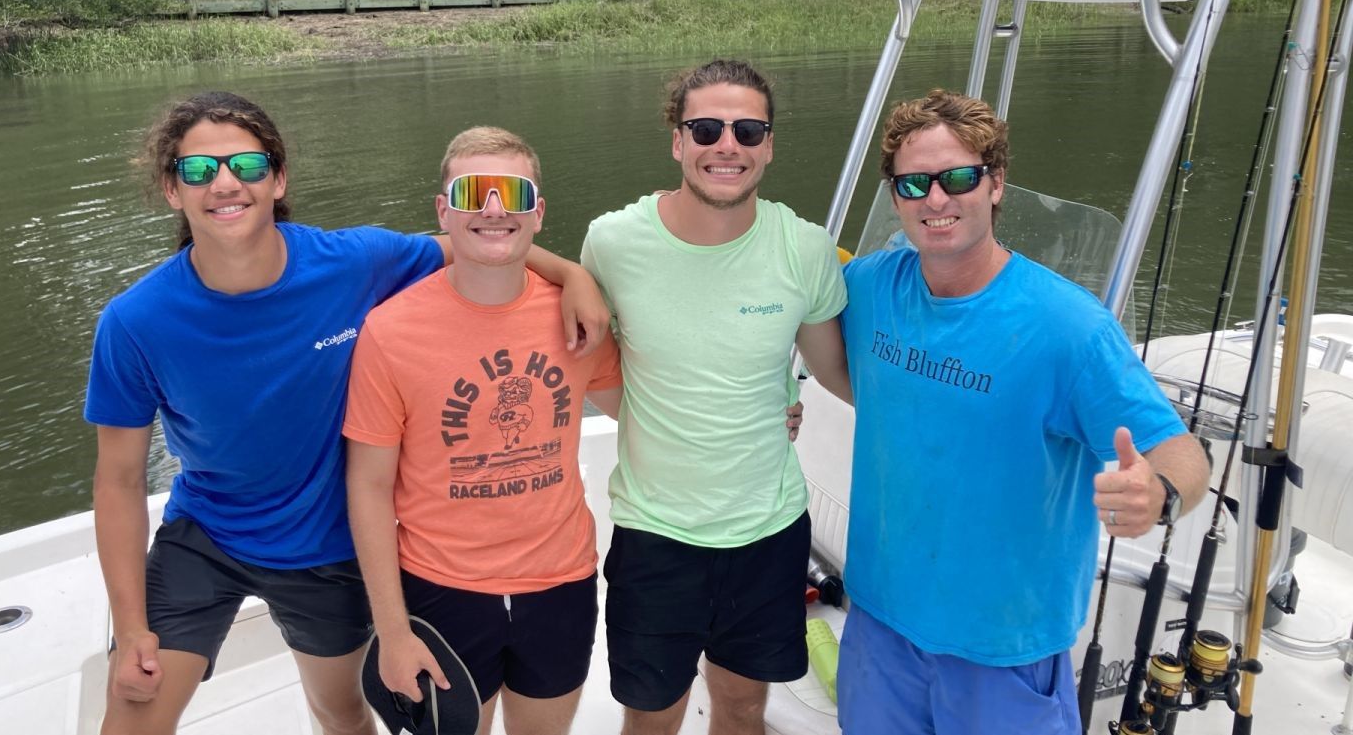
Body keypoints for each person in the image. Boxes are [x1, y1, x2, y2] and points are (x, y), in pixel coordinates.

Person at [84, 92, 608, 735]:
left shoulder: (352, 263)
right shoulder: (134, 322)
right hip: (209, 534)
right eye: (198, 170)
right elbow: (118, 481)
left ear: (278, 179)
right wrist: (132, 625)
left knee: (341, 712)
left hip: (327, 545)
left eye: (247, 166)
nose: (225, 183)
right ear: (173, 189)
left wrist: (573, 275)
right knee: (132, 708)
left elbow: (477, 241)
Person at [837, 89, 1211, 734]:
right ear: (894, 196)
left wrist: (1161, 495)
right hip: (879, 624)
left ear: (996, 183)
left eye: (958, 177)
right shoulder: (868, 285)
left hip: (1004, 647)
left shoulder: (1068, 326)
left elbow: (1180, 452)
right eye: (913, 183)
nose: (936, 199)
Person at [580, 60, 852, 735]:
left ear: (768, 144)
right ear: (678, 141)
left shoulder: (806, 247)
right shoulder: (612, 242)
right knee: (651, 714)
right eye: (706, 128)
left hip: (768, 529)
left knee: (741, 704)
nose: (726, 145)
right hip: (655, 533)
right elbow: (587, 360)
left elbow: (841, 375)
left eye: (747, 129)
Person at [344, 126, 624, 735]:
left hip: (562, 579)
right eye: (473, 192)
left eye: (513, 193)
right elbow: (367, 486)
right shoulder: (390, 332)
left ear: (538, 214)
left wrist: (765, 407)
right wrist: (391, 631)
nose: (493, 209)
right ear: (443, 211)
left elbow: (638, 407)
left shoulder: (576, 314)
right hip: (442, 589)